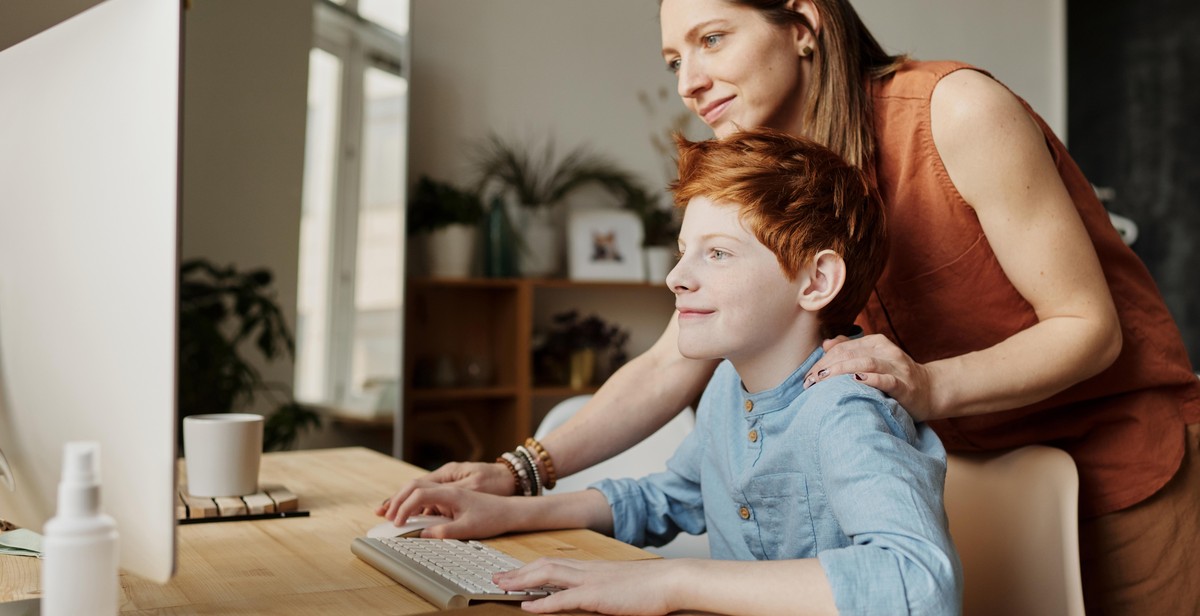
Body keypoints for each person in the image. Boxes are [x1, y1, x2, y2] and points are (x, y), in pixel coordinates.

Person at [385, 1, 1200, 612]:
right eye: (673, 58)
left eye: (712, 39)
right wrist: (518, 474)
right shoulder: (781, 175)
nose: (688, 80)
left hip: (1121, 468)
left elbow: (1088, 329)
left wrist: (926, 387)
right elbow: (674, 359)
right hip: (966, 477)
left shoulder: (955, 112)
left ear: (803, 24)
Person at [384, 129, 963, 616]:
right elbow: (672, 497)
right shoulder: (724, 390)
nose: (676, 277)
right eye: (683, 251)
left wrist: (671, 581)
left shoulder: (845, 411)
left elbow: (918, 580)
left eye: (717, 253)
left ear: (815, 282)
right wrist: (513, 511)